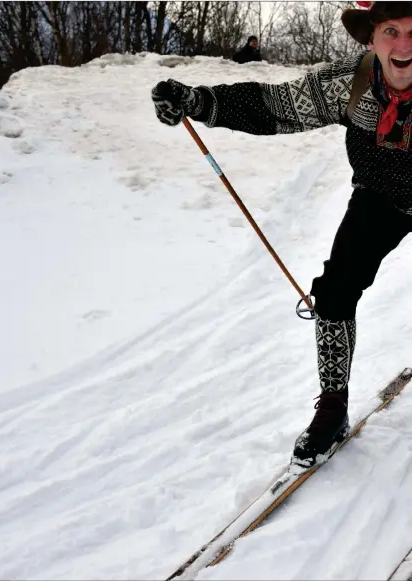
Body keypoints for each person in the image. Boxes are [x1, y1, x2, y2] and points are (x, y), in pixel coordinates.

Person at [151, 2, 412, 468]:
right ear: (371, 40)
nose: (404, 44)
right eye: (391, 30)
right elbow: (273, 106)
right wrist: (198, 101)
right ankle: (332, 407)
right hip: (381, 196)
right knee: (334, 292)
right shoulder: (349, 83)